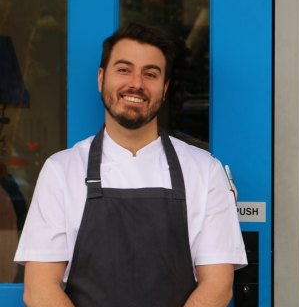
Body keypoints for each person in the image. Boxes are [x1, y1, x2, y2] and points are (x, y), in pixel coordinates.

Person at [14, 23, 247, 306]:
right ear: (101, 79)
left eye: (150, 74)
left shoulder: (205, 170)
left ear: (165, 88)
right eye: (123, 69)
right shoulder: (61, 171)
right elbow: (39, 289)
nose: (136, 83)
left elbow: (218, 287)